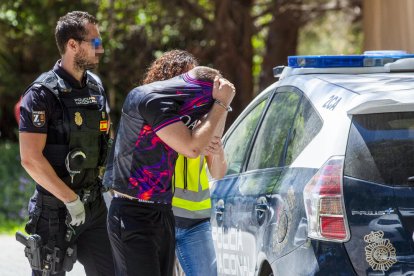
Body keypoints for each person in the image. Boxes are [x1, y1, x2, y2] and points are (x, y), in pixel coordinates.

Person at [104, 52, 235, 276]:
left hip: (185, 218)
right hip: (143, 211)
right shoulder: (156, 109)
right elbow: (192, 148)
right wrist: (221, 104)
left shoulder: (201, 120)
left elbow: (217, 169)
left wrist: (218, 110)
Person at [19, 11, 115, 275]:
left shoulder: (95, 86)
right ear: (73, 45)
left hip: (94, 206)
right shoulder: (41, 94)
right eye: (94, 42)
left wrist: (110, 182)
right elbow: (30, 158)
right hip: (54, 212)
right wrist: (70, 200)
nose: (101, 49)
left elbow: (106, 135)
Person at [141, 49, 227, 276]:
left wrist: (217, 151)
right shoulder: (157, 114)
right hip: (161, 216)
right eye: (186, 79)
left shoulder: (206, 115)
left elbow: (218, 172)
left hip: (196, 221)